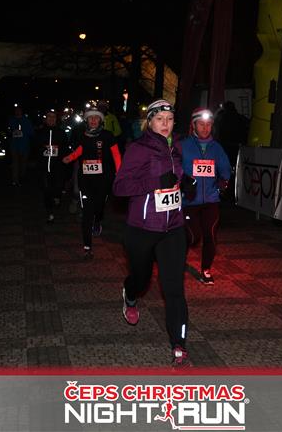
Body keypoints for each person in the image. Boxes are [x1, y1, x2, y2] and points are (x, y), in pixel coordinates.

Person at [113, 99, 196, 367]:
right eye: (159, 119)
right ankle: (130, 294)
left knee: (174, 288)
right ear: (149, 122)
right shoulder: (138, 149)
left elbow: (176, 179)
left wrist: (187, 183)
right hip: (142, 229)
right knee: (142, 280)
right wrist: (154, 182)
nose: (165, 124)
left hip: (173, 229)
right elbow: (120, 187)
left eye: (169, 119)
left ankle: (179, 345)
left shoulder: (177, 147)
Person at [62, 105, 121, 260]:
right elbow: (79, 150)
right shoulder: (82, 136)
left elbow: (116, 155)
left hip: (104, 180)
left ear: (100, 121)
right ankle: (87, 247)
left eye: (96, 118)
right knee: (87, 212)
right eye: (90, 118)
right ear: (86, 121)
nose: (93, 120)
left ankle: (98, 221)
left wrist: (120, 173)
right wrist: (70, 157)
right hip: (86, 181)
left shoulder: (108, 136)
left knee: (99, 207)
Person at [181, 107, 231, 285]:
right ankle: (179, 259)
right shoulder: (183, 145)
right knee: (192, 236)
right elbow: (174, 168)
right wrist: (183, 181)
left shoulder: (216, 147)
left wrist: (223, 182)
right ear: (193, 125)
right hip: (189, 201)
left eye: (209, 124)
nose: (205, 128)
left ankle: (206, 270)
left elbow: (225, 169)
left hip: (211, 200)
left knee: (210, 235)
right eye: (201, 124)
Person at [34, 109, 68, 223]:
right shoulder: (39, 132)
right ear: (45, 119)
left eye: (53, 117)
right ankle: (50, 213)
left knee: (57, 187)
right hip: (43, 167)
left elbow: (65, 149)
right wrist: (41, 150)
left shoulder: (61, 133)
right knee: (46, 189)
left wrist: (64, 159)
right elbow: (34, 148)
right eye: (49, 116)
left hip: (58, 167)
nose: (51, 119)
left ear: (56, 119)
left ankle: (57, 196)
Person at [7, 103, 34, 186]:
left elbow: (31, 133)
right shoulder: (11, 120)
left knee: (23, 164)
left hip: (24, 146)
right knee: (15, 164)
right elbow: (8, 131)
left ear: (21, 111)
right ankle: (15, 180)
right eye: (16, 110)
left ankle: (22, 178)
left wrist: (23, 132)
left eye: (19, 110)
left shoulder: (26, 121)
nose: (17, 112)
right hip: (14, 146)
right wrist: (11, 132)